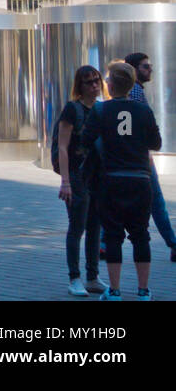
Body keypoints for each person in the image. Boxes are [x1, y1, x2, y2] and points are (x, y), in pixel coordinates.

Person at [84, 60, 162, 300]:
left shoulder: (100, 110)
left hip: (111, 180)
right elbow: (155, 143)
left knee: (114, 235)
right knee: (141, 235)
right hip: (140, 179)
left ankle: (115, 290)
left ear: (111, 85)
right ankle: (143, 290)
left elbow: (86, 140)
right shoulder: (143, 110)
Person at [122, 52, 176, 262]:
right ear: (134, 71)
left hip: (131, 156)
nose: (150, 69)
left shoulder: (133, 92)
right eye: (146, 66)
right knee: (156, 201)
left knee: (118, 201)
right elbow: (140, 128)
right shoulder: (135, 93)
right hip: (140, 157)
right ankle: (173, 243)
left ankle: (103, 243)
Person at [57, 64, 106, 296]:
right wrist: (65, 181)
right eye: (89, 82)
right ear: (80, 85)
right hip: (77, 175)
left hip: (97, 176)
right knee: (77, 227)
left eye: (97, 80)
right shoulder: (72, 109)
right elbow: (63, 147)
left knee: (95, 227)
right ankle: (74, 277)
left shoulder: (101, 108)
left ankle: (93, 276)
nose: (95, 85)